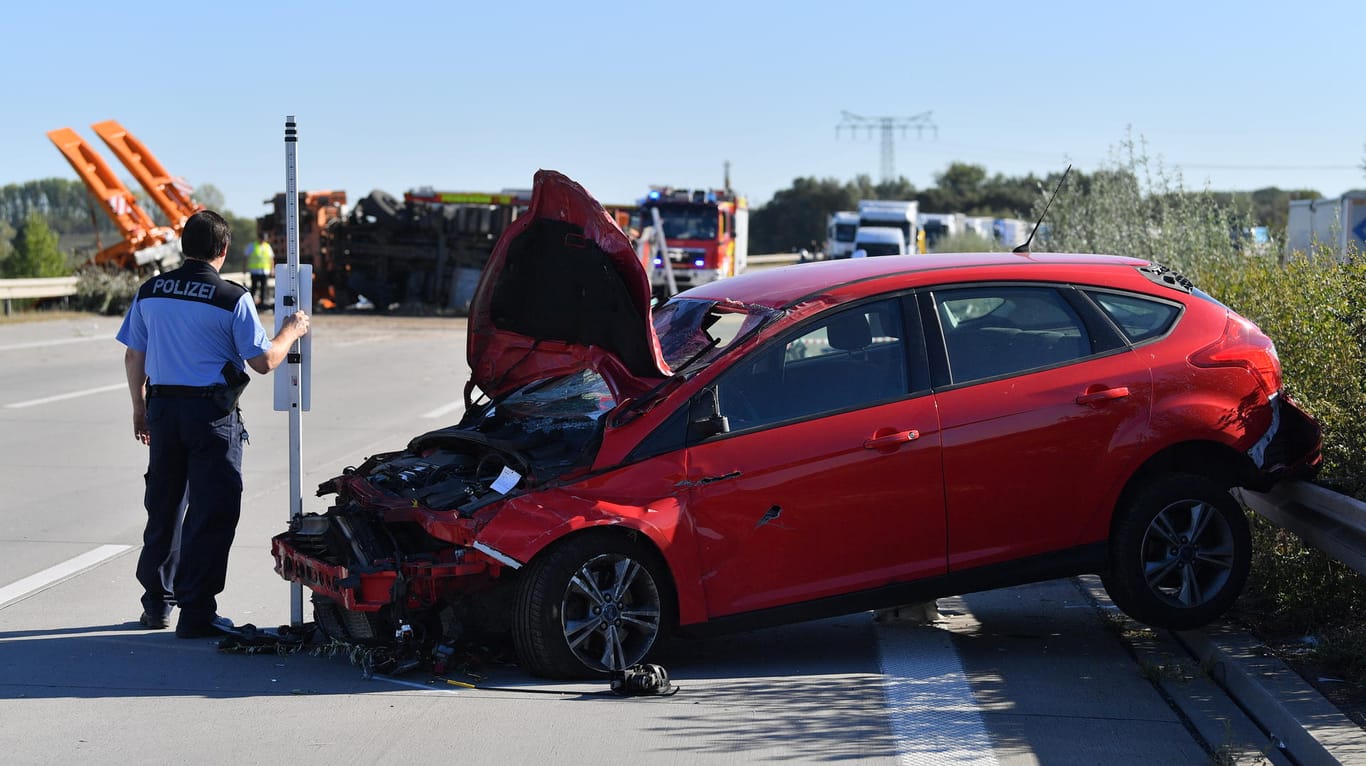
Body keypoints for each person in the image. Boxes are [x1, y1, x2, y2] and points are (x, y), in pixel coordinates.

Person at [117, 210, 310, 638]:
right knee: (211, 511)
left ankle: (156, 605)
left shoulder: (151, 291)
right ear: (222, 251)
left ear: (185, 246)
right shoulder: (230, 297)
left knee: (164, 506)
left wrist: (138, 407)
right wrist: (291, 331)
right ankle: (197, 613)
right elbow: (263, 362)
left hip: (163, 410)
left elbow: (134, 355)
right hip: (211, 417)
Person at [246, 231, 274, 309]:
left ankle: (262, 304)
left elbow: (271, 259)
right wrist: (245, 268)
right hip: (254, 271)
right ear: (259, 238)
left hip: (264, 271)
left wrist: (272, 269)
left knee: (263, 288)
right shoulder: (252, 245)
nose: (263, 241)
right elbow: (246, 257)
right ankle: (251, 303)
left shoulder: (267, 246)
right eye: (262, 239)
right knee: (254, 288)